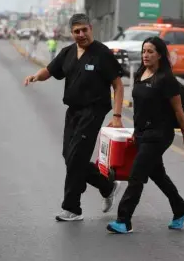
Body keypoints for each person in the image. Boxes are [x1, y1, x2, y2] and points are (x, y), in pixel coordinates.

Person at [23, 14, 126, 222]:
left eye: (84, 30)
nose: (81, 35)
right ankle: (107, 186)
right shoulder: (68, 53)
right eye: (76, 31)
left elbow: (118, 85)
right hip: (73, 111)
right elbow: (50, 70)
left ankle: (72, 208)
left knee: (77, 157)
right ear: (72, 33)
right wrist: (36, 76)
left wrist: (116, 116)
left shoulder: (102, 54)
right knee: (69, 156)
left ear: (91, 29)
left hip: (94, 111)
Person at [107, 37, 184, 234]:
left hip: (159, 134)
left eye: (150, 52)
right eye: (144, 51)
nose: (145, 55)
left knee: (136, 175)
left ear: (160, 55)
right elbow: (140, 108)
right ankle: (181, 208)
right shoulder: (140, 73)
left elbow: (179, 111)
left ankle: (124, 220)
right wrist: (133, 132)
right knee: (158, 175)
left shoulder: (167, 80)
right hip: (142, 133)